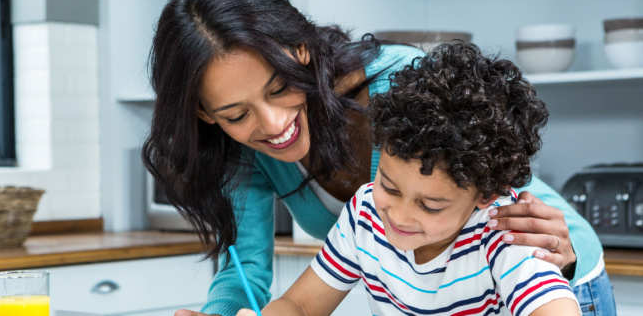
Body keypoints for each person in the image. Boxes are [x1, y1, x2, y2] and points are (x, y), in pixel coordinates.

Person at [142, 0, 613, 316]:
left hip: (551, 265)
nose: (274, 123)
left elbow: (492, 170)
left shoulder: (404, 88)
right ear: (206, 115)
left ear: (300, 50)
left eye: (279, 86)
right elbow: (253, 272)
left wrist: (557, 260)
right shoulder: (367, 213)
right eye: (236, 115)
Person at [236, 41, 579, 316]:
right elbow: (300, 304)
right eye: (388, 185)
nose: (398, 216)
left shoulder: (502, 232)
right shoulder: (365, 213)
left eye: (430, 206)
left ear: (486, 195)